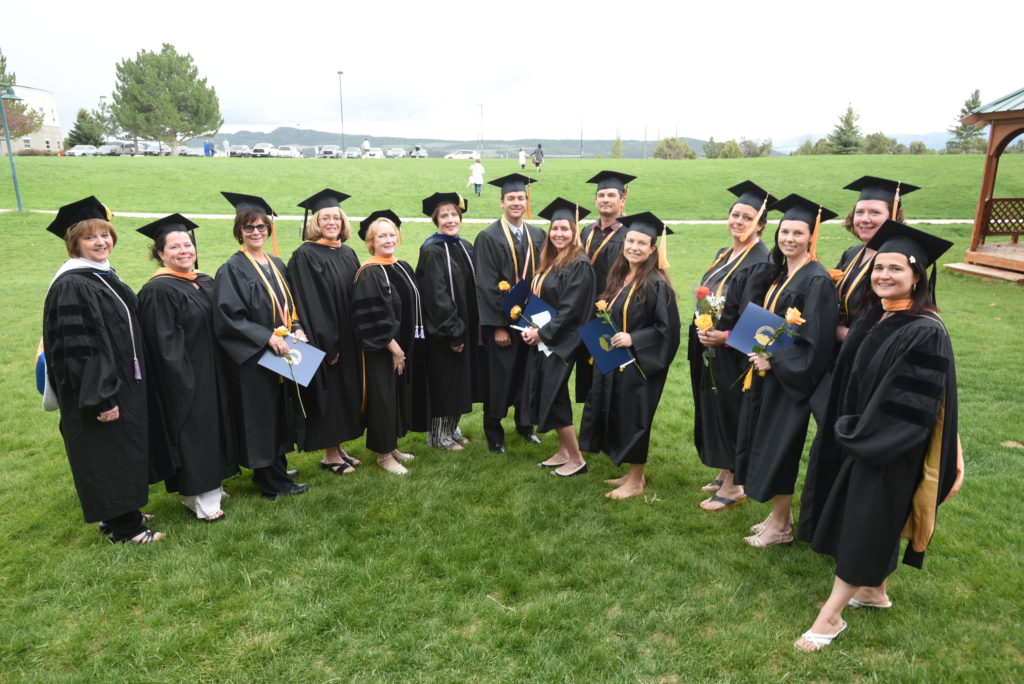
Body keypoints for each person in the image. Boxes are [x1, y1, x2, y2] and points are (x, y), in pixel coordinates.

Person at [792, 221, 962, 652]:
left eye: (894, 269)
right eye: (877, 267)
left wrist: (859, 433)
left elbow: (910, 405)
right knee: (870, 517)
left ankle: (830, 618)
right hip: (860, 434)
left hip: (889, 444)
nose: (883, 275)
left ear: (917, 276)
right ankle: (874, 591)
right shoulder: (878, 316)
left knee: (865, 523)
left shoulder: (924, 330)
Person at [42, 197, 166, 543]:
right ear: (74, 243)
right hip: (99, 388)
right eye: (90, 237)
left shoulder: (101, 275)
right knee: (107, 452)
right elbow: (77, 349)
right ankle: (126, 530)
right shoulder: (73, 284)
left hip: (118, 382)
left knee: (120, 449)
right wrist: (100, 398)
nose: (101, 242)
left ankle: (120, 513)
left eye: (105, 235)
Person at [733, 194, 839, 546]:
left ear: (812, 236)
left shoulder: (817, 280)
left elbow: (816, 341)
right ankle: (779, 515)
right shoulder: (783, 272)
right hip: (769, 374)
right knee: (767, 443)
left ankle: (780, 527)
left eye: (797, 233)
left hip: (791, 379)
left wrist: (773, 359)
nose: (789, 238)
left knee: (781, 448)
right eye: (785, 231)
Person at [137, 214, 239, 523]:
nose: (184, 251)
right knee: (197, 433)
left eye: (188, 244)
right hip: (187, 378)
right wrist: (184, 381)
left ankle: (212, 485)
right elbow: (164, 346)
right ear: (159, 253)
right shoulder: (158, 291)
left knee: (217, 428)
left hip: (215, 372)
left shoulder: (202, 281)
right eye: (175, 247)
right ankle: (200, 497)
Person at [213, 192, 310, 500]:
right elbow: (229, 316)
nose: (256, 232)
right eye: (249, 228)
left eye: (261, 227)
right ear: (239, 231)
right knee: (261, 417)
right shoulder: (232, 269)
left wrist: (297, 329)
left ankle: (274, 467)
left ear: (269, 230)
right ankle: (272, 483)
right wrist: (267, 337)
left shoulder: (276, 263)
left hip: (282, 352)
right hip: (255, 357)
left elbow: (288, 304)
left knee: (279, 413)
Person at [580, 212, 680, 499]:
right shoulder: (620, 276)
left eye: (642, 243)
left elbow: (667, 330)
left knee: (636, 418)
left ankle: (636, 482)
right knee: (621, 415)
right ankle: (631, 473)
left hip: (641, 364)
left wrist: (633, 338)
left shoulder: (656, 284)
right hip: (617, 361)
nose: (634, 247)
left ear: (652, 249)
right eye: (631, 240)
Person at [691, 181, 776, 511]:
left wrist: (724, 337)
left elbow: (761, 314)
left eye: (748, 217)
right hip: (712, 344)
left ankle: (736, 483)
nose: (738, 222)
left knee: (733, 412)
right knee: (718, 410)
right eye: (735, 215)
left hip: (738, 353)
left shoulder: (762, 261)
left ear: (761, 224)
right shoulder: (724, 253)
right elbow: (713, 296)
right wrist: (706, 325)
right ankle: (727, 469)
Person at [287, 189, 363, 475]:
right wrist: (328, 345)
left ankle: (339, 448)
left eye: (337, 217)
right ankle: (330, 455)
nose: (332, 222)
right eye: (326, 217)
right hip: (326, 339)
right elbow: (311, 302)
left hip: (349, 336)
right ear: (315, 222)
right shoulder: (306, 254)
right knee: (330, 395)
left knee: (346, 394)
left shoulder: (347, 251)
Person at [522, 198, 596, 477]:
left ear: (575, 231)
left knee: (554, 396)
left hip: (563, 342)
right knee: (551, 393)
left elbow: (571, 311)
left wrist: (541, 333)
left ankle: (577, 459)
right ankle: (564, 451)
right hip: (545, 339)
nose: (559, 234)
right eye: (555, 229)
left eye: (565, 229)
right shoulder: (551, 259)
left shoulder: (579, 265)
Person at [473, 173, 546, 453]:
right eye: (511, 198)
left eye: (521, 198)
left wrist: (540, 322)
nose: (517, 202)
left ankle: (525, 426)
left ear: (527, 202)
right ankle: (494, 433)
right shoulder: (488, 237)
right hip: (504, 324)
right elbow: (485, 285)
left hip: (531, 322)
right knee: (500, 378)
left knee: (527, 377)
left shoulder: (537, 234)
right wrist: (498, 327)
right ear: (501, 202)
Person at [352, 210, 428, 474]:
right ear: (371, 241)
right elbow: (372, 315)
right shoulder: (369, 273)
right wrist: (393, 347)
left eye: (391, 234)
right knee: (383, 399)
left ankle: (392, 445)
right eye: (381, 235)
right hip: (382, 350)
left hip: (403, 346)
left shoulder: (401, 266)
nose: (388, 239)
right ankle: (383, 456)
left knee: (396, 397)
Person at [416, 192, 483, 451]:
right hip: (445, 331)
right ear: (436, 220)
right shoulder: (432, 250)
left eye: (454, 214)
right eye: (444, 216)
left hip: (465, 326)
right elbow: (437, 296)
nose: (450, 219)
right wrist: (453, 331)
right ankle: (438, 435)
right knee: (445, 382)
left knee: (460, 382)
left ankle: (451, 428)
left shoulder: (464, 246)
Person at [575, 170, 638, 402]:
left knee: (612, 376)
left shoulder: (631, 234)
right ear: (595, 200)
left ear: (623, 199)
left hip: (615, 314)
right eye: (601, 195)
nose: (605, 199)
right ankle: (592, 432)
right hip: (587, 313)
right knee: (589, 380)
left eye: (612, 195)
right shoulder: (586, 231)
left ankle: (610, 432)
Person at [833, 176, 917, 342]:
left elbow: (897, 321)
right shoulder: (851, 254)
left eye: (875, 212)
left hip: (868, 353)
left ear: (893, 217)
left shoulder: (900, 263)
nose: (865, 219)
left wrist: (845, 335)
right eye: (859, 212)